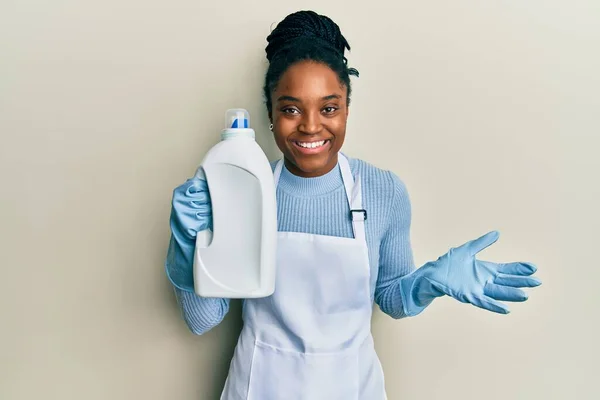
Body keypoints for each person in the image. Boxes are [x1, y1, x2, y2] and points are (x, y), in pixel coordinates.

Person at [165, 10, 542, 400]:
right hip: (259, 387)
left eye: (328, 108)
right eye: (291, 108)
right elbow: (201, 320)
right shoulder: (243, 190)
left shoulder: (383, 191)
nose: (311, 126)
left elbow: (392, 299)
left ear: (347, 108)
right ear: (271, 115)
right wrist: (186, 246)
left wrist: (427, 282)